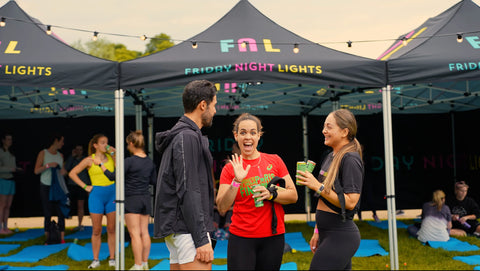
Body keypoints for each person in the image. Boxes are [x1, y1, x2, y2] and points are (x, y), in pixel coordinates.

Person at [216, 113, 298, 270]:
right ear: (236, 135)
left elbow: (293, 195)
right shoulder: (230, 168)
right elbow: (221, 207)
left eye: (253, 132)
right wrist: (237, 181)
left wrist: (271, 194)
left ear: (259, 136)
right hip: (241, 238)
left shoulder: (275, 161)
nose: (248, 137)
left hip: (273, 237)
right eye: (243, 132)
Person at [154, 80, 217, 270]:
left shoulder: (182, 135)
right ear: (203, 105)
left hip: (181, 229)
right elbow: (188, 189)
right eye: (214, 105)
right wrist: (201, 238)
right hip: (187, 230)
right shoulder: (187, 137)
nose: (215, 111)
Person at [296, 108, 364, 270]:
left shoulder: (350, 159)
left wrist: (317, 186)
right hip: (327, 233)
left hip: (340, 235)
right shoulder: (331, 155)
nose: (323, 131)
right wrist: (317, 230)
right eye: (324, 126)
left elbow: (351, 202)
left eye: (329, 127)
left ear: (344, 132)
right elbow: (325, 200)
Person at [69, 134, 116, 269]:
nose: (105, 145)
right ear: (95, 145)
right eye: (102, 143)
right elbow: (72, 173)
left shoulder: (111, 157)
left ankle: (112, 258)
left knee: (112, 229)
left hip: (112, 194)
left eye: (107, 142)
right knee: (96, 230)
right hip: (96, 196)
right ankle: (96, 259)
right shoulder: (89, 160)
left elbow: (120, 170)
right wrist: (85, 186)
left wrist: (114, 153)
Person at [124, 131, 157, 270]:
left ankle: (137, 265)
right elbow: (154, 181)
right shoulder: (149, 162)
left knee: (134, 234)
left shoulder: (129, 161)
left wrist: (101, 166)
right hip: (145, 198)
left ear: (131, 144)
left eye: (127, 144)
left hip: (132, 198)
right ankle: (144, 263)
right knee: (144, 232)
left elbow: (114, 176)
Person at [34, 133, 68, 244]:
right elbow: (36, 171)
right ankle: (48, 239)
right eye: (61, 141)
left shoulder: (60, 155)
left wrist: (64, 172)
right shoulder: (43, 153)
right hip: (46, 185)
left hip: (57, 186)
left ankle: (62, 238)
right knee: (47, 212)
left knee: (60, 212)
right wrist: (48, 165)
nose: (63, 144)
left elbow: (63, 171)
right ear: (55, 140)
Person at [64, 144, 90, 231]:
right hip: (71, 185)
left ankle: (80, 224)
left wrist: (88, 186)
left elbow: (89, 173)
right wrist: (72, 157)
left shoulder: (86, 160)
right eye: (77, 149)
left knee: (80, 205)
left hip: (82, 185)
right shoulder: (71, 159)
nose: (79, 151)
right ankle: (64, 222)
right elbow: (66, 168)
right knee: (68, 203)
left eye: (80, 150)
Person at [0, 132, 22, 234]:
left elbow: (11, 166)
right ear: (3, 140)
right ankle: (0, 228)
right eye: (8, 139)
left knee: (8, 205)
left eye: (11, 139)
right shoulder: (0, 152)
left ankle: (6, 226)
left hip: (11, 180)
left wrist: (16, 169)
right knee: (2, 205)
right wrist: (10, 169)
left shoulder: (11, 153)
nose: (10, 141)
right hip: (3, 180)